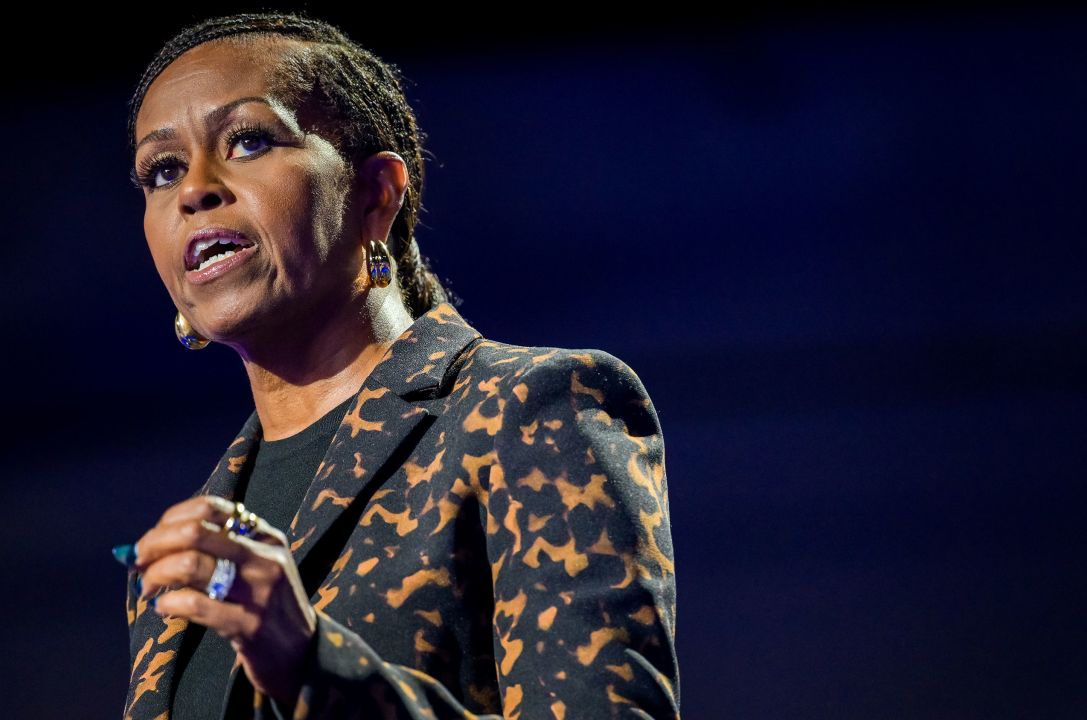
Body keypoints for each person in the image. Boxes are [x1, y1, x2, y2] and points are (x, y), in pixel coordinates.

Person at [117, 11, 678, 720]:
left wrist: (314, 662)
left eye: (250, 140)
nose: (195, 189)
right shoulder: (180, 548)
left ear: (376, 194)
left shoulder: (529, 411)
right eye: (161, 170)